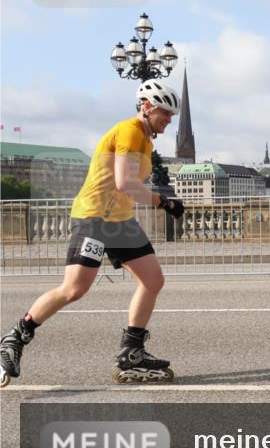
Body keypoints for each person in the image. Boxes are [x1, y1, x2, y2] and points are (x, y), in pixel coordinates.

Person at [1, 80, 187, 387]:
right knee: (74, 289)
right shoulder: (128, 130)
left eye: (171, 116)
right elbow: (125, 184)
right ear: (147, 107)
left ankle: (132, 351)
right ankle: (15, 337)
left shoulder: (146, 139)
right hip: (93, 218)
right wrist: (164, 202)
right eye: (165, 114)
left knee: (153, 280)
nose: (168, 120)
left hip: (120, 221)